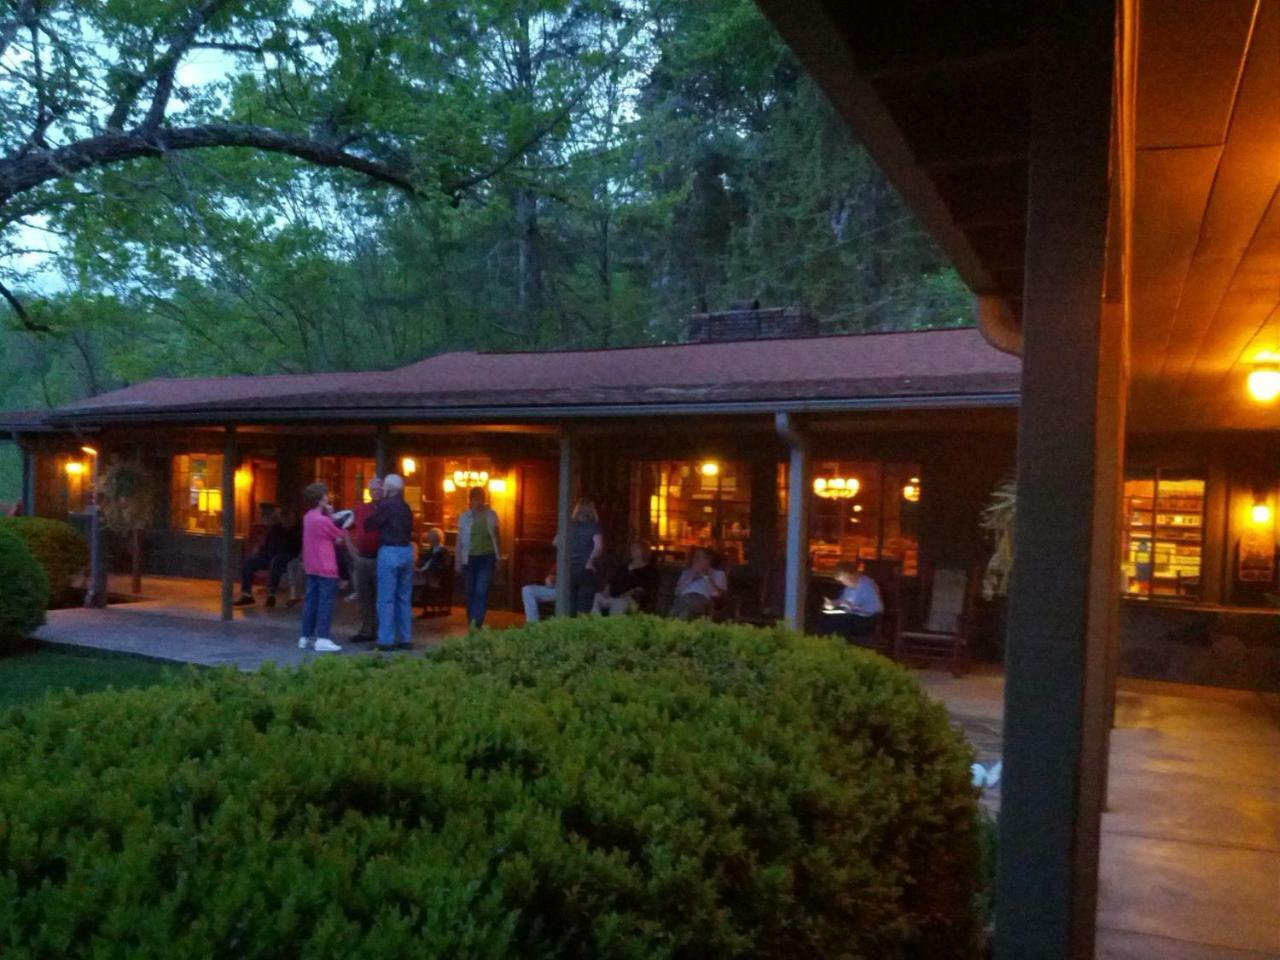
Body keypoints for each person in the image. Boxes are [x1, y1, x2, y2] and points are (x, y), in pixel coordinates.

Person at [364, 473, 416, 651]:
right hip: (406, 551)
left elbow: (370, 524)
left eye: (384, 487)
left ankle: (385, 640)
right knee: (403, 597)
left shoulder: (386, 505)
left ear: (388, 489)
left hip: (390, 551)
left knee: (386, 598)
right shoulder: (406, 507)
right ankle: (405, 638)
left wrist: (376, 506)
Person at [299, 483, 349, 653]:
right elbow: (339, 535)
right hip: (326, 566)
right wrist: (334, 516)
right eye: (325, 495)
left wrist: (328, 515)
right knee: (325, 603)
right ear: (320, 499)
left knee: (311, 601)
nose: (328, 498)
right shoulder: (322, 521)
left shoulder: (308, 517)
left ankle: (305, 636)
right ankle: (323, 637)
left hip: (311, 565)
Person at [233, 504, 295, 608]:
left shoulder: (295, 531)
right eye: (283, 517)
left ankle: (271, 595)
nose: (285, 520)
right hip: (269, 555)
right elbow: (267, 545)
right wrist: (259, 553)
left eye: (287, 517)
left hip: (285, 557)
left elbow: (294, 548)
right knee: (249, 562)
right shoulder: (275, 529)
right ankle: (247, 594)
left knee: (276, 561)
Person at [456, 485, 500, 627]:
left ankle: (478, 622)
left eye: (480, 499)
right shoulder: (464, 517)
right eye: (475, 499)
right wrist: (458, 560)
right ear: (470, 501)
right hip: (469, 558)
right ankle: (471, 620)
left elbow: (496, 537)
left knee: (481, 590)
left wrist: (498, 557)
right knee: (469, 591)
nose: (478, 502)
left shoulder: (491, 515)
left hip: (486, 557)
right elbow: (460, 540)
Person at [346, 477, 383, 643]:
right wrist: (351, 549)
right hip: (362, 558)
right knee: (363, 596)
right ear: (369, 491)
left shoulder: (387, 509)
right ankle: (366, 629)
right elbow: (346, 528)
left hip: (380, 558)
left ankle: (381, 630)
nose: (376, 491)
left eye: (379, 489)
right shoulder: (360, 510)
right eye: (373, 489)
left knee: (380, 597)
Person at [819, 560, 884, 641]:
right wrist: (833, 603)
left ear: (849, 575)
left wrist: (855, 607)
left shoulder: (866, 585)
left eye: (843, 580)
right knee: (826, 618)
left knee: (838, 621)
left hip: (866, 620)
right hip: (851, 617)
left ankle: (832, 644)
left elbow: (877, 607)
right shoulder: (849, 588)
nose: (843, 583)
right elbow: (842, 600)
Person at [592, 540, 658, 616]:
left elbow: (643, 589)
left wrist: (627, 594)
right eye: (632, 548)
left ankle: (613, 624)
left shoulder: (649, 570)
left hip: (631, 600)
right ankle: (596, 621)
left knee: (620, 603)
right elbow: (612, 580)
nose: (632, 551)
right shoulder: (624, 567)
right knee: (597, 596)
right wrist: (607, 588)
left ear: (643, 551)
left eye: (635, 549)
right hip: (614, 596)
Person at [566, 498, 605, 615]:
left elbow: (556, 542)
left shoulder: (569, 526)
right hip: (585, 570)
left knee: (570, 604)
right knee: (584, 605)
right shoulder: (593, 526)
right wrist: (590, 561)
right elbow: (598, 547)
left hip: (570, 569)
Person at [670, 548, 727, 621]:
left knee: (686, 608)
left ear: (708, 560)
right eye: (695, 557)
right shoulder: (686, 573)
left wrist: (705, 575)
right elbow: (677, 592)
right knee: (678, 608)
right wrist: (691, 575)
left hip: (702, 598)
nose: (695, 560)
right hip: (684, 598)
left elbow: (717, 594)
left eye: (698, 558)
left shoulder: (718, 574)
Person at [416, 526, 450, 618]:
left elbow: (444, 566)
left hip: (436, 576)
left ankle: (426, 604)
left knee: (426, 582)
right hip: (426, 573)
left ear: (435, 538)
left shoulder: (444, 552)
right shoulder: (430, 550)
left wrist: (429, 569)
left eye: (429, 538)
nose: (428, 539)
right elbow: (424, 562)